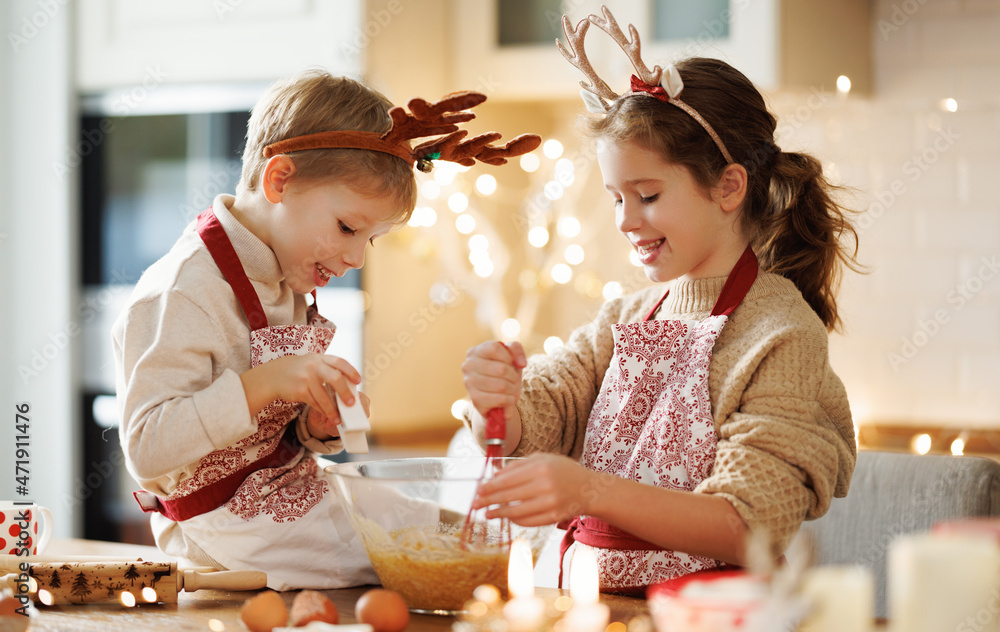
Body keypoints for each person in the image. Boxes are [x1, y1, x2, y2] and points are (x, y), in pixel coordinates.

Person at [462, 8, 860, 594]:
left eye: (646, 195)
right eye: (615, 198)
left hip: (706, 610)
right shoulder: (626, 316)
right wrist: (498, 398)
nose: (625, 220)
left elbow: (748, 522)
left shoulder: (780, 334)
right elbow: (549, 414)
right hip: (592, 602)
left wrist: (587, 490)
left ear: (729, 186)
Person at [113, 70, 539, 590]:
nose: (356, 257)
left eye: (372, 240)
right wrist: (269, 382)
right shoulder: (184, 292)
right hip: (224, 525)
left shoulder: (285, 272)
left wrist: (315, 426)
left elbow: (270, 437)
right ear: (279, 180)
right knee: (414, 562)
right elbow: (148, 446)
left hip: (288, 489)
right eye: (347, 228)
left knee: (444, 527)